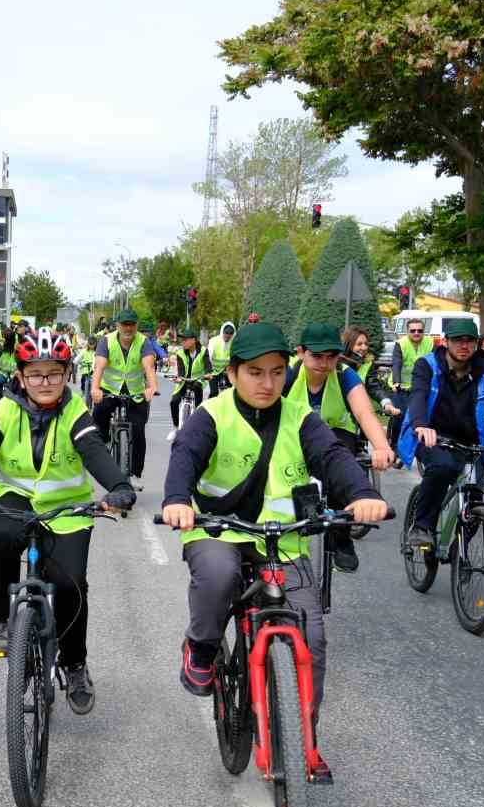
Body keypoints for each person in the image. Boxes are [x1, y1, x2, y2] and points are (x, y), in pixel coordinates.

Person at [162, 322, 387, 775]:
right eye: (255, 373)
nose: (268, 383)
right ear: (233, 374)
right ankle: (202, 650)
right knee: (219, 577)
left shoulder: (301, 418)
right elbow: (184, 457)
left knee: (314, 641)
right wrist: (176, 501)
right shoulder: (212, 414)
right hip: (217, 531)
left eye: (278, 372)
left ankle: (303, 740)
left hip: (282, 542)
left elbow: (333, 458)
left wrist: (362, 493)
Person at [0, 328, 136, 713]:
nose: (45, 382)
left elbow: (95, 452)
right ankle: (1, 619)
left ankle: (74, 663)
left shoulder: (75, 411)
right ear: (21, 376)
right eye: (35, 374)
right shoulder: (7, 409)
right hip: (15, 500)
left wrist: (118, 486)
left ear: (65, 375)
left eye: (54, 373)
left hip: (67, 510)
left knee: (71, 583)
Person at [398, 318, 484, 550]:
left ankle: (459, 552)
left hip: (470, 439)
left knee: (477, 498)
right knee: (442, 468)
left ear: (476, 344)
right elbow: (418, 397)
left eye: (470, 341)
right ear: (445, 342)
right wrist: (420, 425)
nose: (464, 346)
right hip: (432, 435)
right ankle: (422, 527)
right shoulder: (428, 365)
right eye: (457, 340)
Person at [283, 322, 396, 572]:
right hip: (295, 436)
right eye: (317, 356)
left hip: (336, 437)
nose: (324, 363)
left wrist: (381, 446)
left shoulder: (345, 374)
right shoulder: (289, 374)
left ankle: (341, 538)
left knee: (340, 468)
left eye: (331, 356)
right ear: (301, 352)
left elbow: (365, 413)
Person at [91, 308, 160, 489]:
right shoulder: (106, 341)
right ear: (118, 325)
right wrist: (95, 388)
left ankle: (136, 473)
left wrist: (152, 387)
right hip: (109, 389)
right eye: (124, 325)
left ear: (136, 325)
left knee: (138, 430)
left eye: (131, 325)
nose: (128, 329)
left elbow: (148, 367)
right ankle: (105, 439)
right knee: (99, 413)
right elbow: (99, 367)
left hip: (135, 392)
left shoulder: (144, 342)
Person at [383, 317, 434, 465]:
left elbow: (435, 362)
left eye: (420, 331)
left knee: (421, 418)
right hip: (402, 386)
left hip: (421, 387)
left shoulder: (429, 343)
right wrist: (397, 381)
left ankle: (416, 450)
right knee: (399, 417)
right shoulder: (401, 344)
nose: (417, 333)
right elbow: (397, 363)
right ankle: (392, 448)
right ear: (408, 331)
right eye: (413, 331)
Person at [166, 327, 211, 442]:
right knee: (174, 401)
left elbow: (207, 366)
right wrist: (179, 378)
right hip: (184, 381)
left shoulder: (203, 351)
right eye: (182, 340)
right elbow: (180, 370)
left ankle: (198, 425)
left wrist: (208, 374)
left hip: (198, 380)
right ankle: (176, 428)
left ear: (194, 340)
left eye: (185, 340)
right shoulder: (180, 353)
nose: (183, 342)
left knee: (198, 400)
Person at [207, 320, 236, 391]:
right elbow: (208, 357)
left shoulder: (235, 342)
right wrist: (208, 371)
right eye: (226, 333)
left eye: (230, 334)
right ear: (222, 332)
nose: (227, 336)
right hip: (214, 370)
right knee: (214, 392)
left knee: (231, 391)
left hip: (227, 370)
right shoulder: (214, 341)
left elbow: (237, 357)